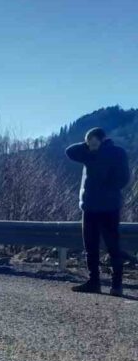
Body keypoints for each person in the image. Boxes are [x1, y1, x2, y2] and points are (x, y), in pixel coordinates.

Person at [66, 127, 132, 296]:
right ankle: (94, 282)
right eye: (89, 141)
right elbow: (70, 151)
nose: (91, 143)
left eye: (94, 140)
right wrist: (88, 145)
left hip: (108, 207)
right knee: (91, 247)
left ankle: (116, 285)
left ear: (103, 139)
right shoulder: (88, 153)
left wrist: (106, 189)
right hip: (90, 207)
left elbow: (124, 178)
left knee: (113, 247)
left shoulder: (117, 152)